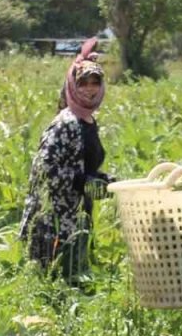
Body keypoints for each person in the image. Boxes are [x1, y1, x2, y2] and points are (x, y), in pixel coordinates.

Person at [19, 38, 114, 281]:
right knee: (53, 284)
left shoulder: (88, 120)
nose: (90, 89)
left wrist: (105, 181)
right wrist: (83, 183)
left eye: (95, 83)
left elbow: (83, 166)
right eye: (83, 83)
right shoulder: (65, 123)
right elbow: (45, 170)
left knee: (74, 282)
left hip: (77, 217)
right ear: (72, 85)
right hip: (53, 221)